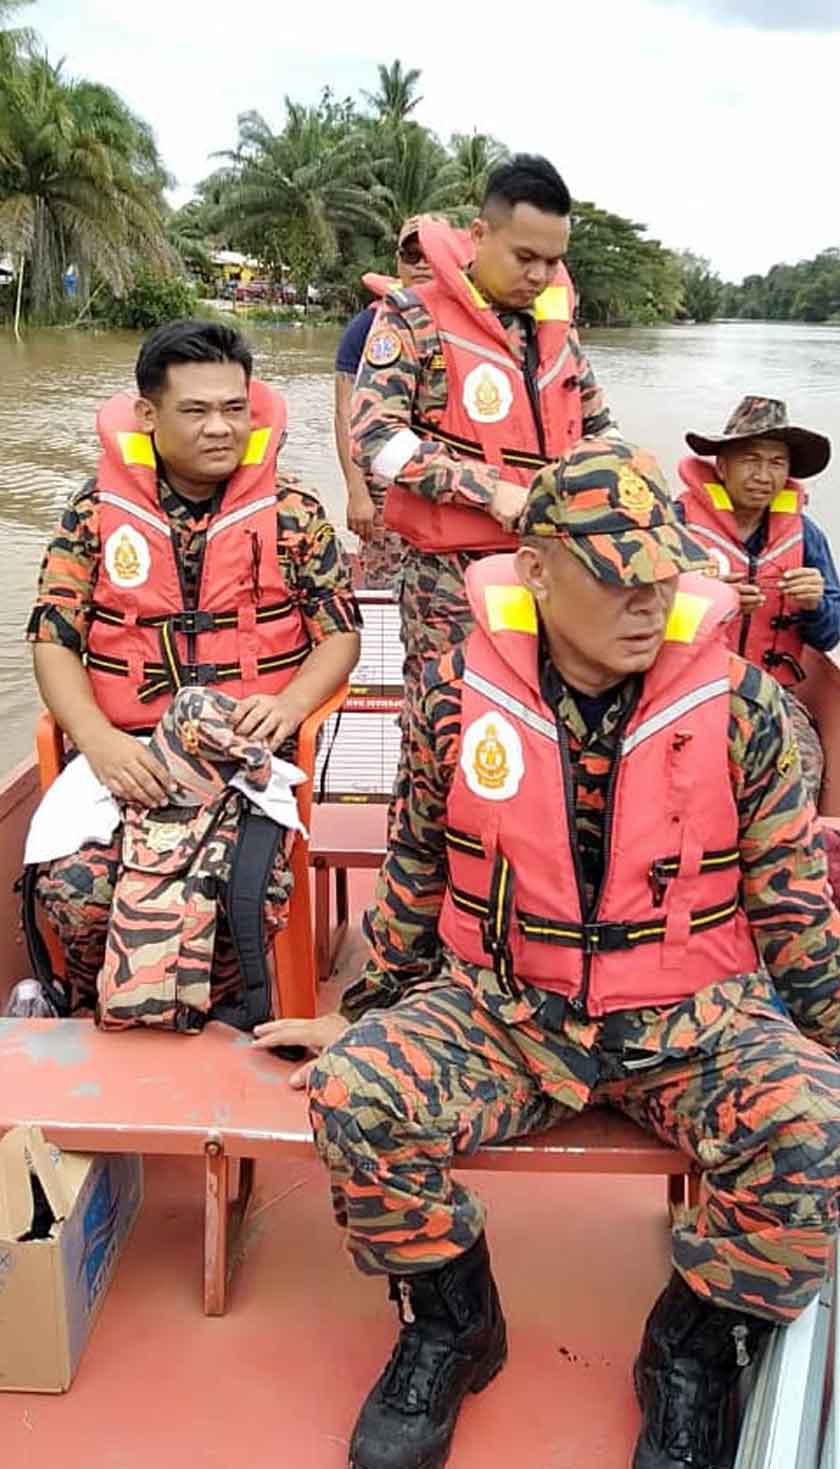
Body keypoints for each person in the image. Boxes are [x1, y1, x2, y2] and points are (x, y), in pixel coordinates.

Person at [254, 440, 840, 1469]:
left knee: (816, 1131)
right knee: (355, 1095)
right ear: (536, 568)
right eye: (618, 575)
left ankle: (690, 1352)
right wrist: (364, 1011)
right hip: (506, 1009)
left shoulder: (744, 706)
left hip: (694, 1017)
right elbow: (421, 865)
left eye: (663, 574)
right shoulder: (452, 694)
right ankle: (452, 1322)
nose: (648, 601)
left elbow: (793, 902)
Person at [24, 318, 360, 1020]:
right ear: (148, 414)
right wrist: (100, 739)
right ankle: (98, 1002)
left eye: (235, 409)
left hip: (245, 758)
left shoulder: (294, 512)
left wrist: (292, 705)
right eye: (196, 410)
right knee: (77, 893)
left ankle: (217, 1015)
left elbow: (340, 635)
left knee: (240, 893)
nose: (220, 428)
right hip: (127, 757)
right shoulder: (92, 514)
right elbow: (53, 640)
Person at [350, 153, 615, 699]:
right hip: (449, 581)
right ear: (479, 234)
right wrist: (488, 491)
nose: (539, 276)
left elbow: (601, 436)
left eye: (552, 261)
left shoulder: (555, 333)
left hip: (554, 571)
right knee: (446, 720)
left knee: (543, 723)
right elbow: (375, 438)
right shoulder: (411, 320)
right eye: (525, 257)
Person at [678, 396, 839, 799]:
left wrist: (815, 604)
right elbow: (632, 614)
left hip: (774, 695)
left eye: (776, 463)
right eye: (750, 459)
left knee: (800, 773)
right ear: (723, 465)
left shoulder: (807, 536)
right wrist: (708, 599)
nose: (763, 475)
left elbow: (829, 636)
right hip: (683, 687)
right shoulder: (675, 524)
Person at [334, 217, 433, 588]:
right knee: (386, 587)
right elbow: (346, 413)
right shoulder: (368, 326)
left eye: (430, 255)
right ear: (398, 262)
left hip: (452, 487)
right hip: (386, 485)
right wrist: (357, 493)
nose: (421, 263)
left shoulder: (473, 326)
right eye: (411, 254)